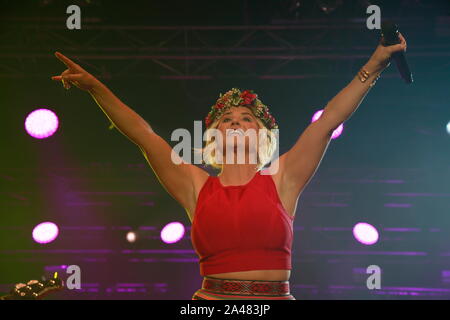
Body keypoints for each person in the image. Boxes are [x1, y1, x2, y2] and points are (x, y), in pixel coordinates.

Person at [51, 33, 407, 300]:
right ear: (213, 136)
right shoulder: (195, 185)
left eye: (247, 117)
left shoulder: (282, 177)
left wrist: (373, 65)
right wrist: (96, 88)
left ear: (263, 136)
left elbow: (328, 120)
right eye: (226, 118)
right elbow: (143, 134)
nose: (236, 121)